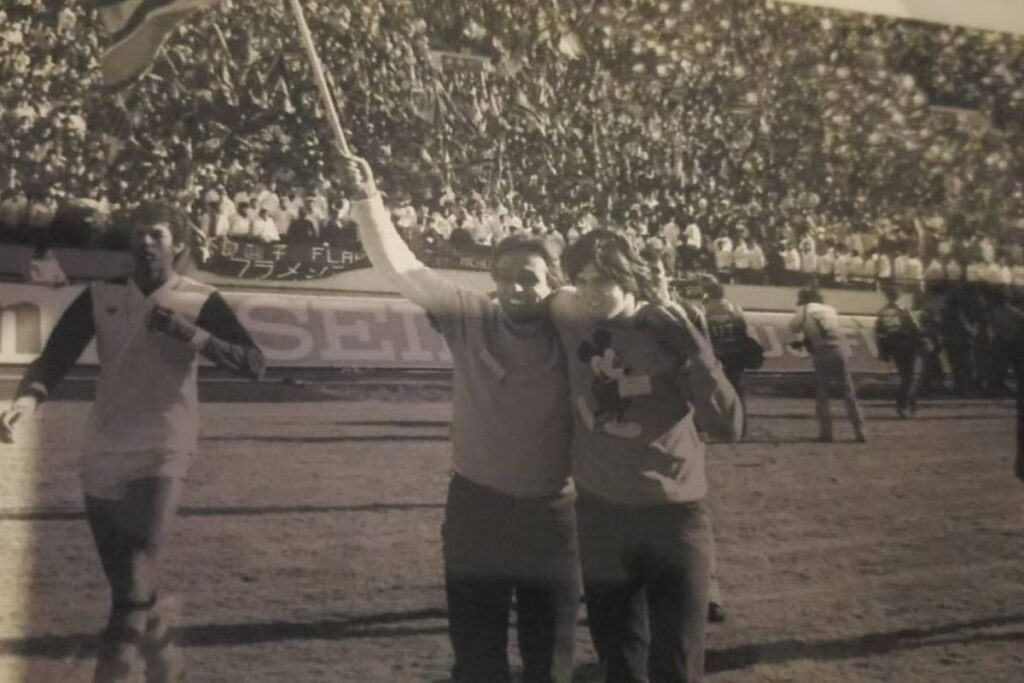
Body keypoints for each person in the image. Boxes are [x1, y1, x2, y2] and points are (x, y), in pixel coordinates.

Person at [338, 154, 581, 683]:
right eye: (505, 278)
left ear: (555, 284)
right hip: (476, 511)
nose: (515, 288)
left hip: (554, 517)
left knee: (550, 662)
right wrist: (367, 201)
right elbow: (403, 268)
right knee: (476, 659)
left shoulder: (575, 328)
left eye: (529, 278)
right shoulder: (473, 316)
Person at [0, 201, 265, 683]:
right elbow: (55, 357)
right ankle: (167, 663)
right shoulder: (101, 294)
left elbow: (254, 363)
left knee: (136, 567)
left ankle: (114, 673)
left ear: (177, 245)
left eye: (156, 234)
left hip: (164, 444)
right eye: (139, 233)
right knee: (130, 586)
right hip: (102, 447)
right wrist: (27, 401)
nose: (145, 242)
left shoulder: (199, 299)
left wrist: (191, 335)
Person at [552, 229, 742, 683]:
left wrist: (697, 351)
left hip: (673, 520)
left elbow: (728, 426)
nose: (591, 293)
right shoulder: (568, 316)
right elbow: (526, 296)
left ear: (629, 279)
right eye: (583, 281)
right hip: (601, 518)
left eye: (603, 280)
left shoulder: (668, 328)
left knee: (676, 663)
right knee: (619, 663)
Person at [788, 287, 868, 443]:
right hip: (840, 349)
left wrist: (804, 337)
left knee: (822, 393)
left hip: (822, 351)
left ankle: (826, 432)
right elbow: (828, 330)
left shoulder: (804, 309)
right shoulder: (830, 310)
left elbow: (793, 327)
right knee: (848, 392)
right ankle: (860, 430)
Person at [703, 281, 750, 424]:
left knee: (714, 391)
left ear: (708, 295)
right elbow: (744, 331)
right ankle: (740, 423)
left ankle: (719, 422)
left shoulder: (704, 311)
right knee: (737, 389)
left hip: (716, 356)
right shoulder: (735, 309)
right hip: (735, 355)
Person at [874, 285, 923, 418]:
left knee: (904, 376)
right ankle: (904, 404)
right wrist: (921, 340)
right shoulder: (903, 311)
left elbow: (879, 331)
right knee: (909, 376)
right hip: (907, 345)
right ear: (898, 297)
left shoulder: (882, 312)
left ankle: (909, 402)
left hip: (893, 347)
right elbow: (915, 328)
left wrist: (883, 351)